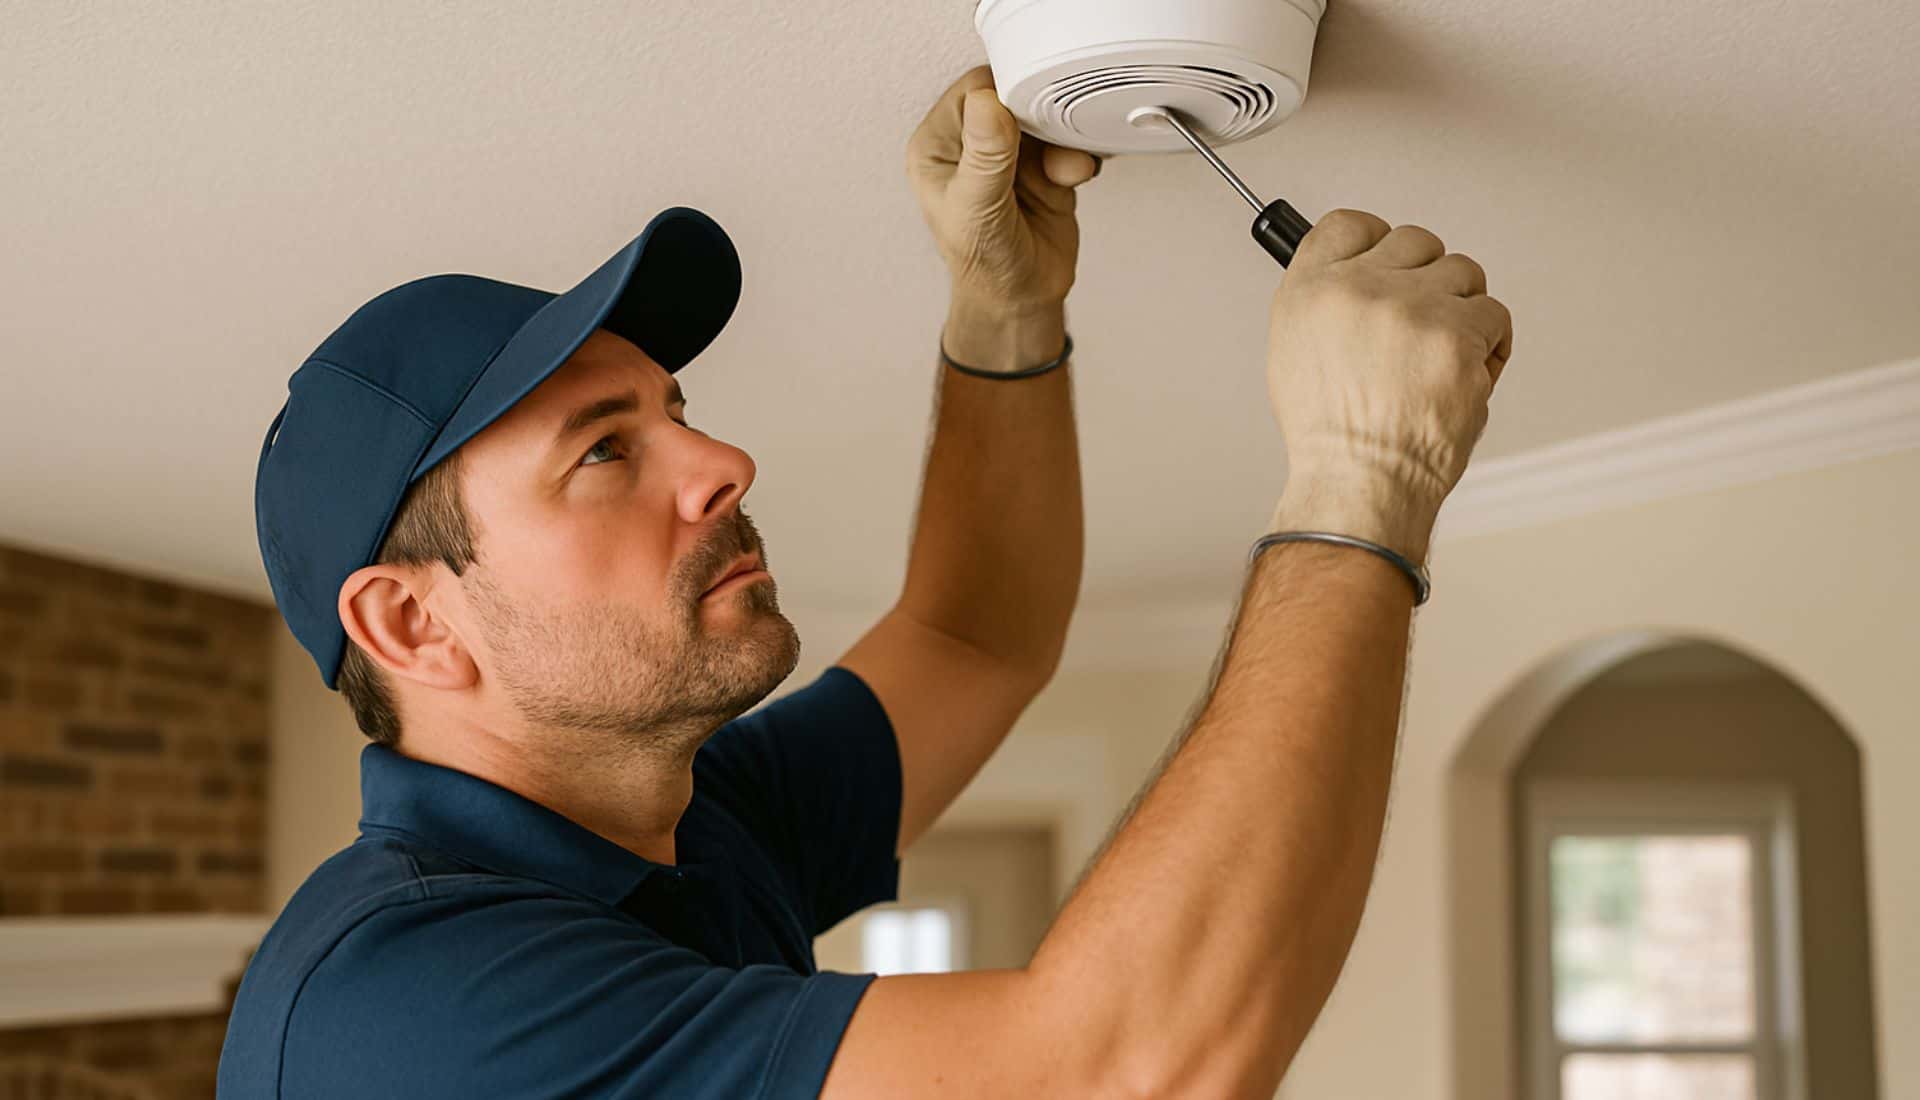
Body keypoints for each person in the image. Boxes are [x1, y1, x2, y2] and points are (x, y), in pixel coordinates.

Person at [220, 61, 1510, 1098]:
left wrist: (1003, 308)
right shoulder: (403, 999)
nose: (724, 459)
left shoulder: (685, 823)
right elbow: (1126, 1072)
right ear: (412, 621)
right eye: (606, 451)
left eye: (678, 410)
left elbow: (972, 635)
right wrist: (1362, 478)